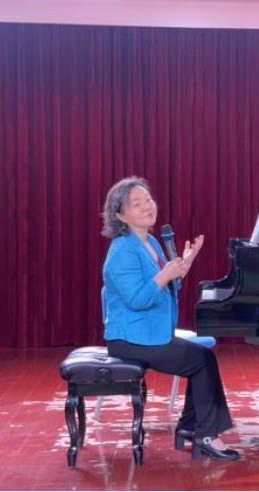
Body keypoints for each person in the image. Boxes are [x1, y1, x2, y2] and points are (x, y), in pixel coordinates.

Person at [101, 176, 238, 461]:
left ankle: (191, 427)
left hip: (150, 333)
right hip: (130, 339)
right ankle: (205, 434)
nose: (147, 206)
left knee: (203, 358)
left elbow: (165, 286)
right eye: (136, 204)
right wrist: (166, 274)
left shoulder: (149, 241)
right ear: (120, 215)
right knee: (201, 361)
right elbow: (138, 299)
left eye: (147, 199)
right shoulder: (122, 250)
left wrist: (184, 264)